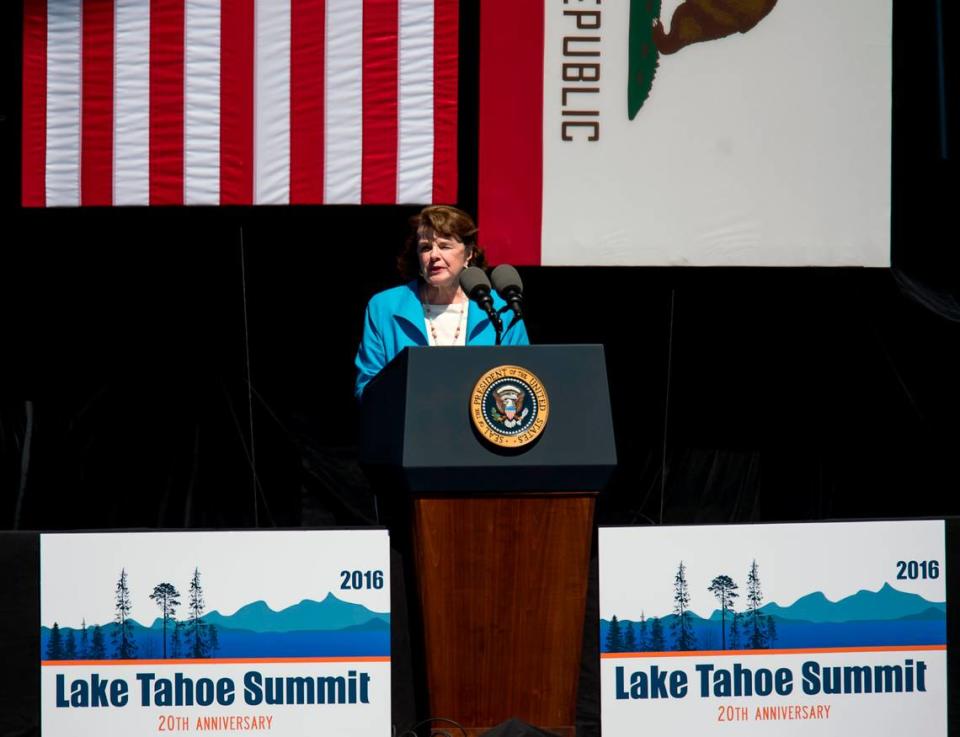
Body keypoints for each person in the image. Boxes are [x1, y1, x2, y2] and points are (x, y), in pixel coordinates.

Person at [354, 205, 529, 398]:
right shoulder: (385, 307)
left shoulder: (499, 308)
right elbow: (367, 389)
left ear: (468, 253)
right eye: (425, 247)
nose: (434, 256)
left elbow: (522, 381)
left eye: (445, 246)